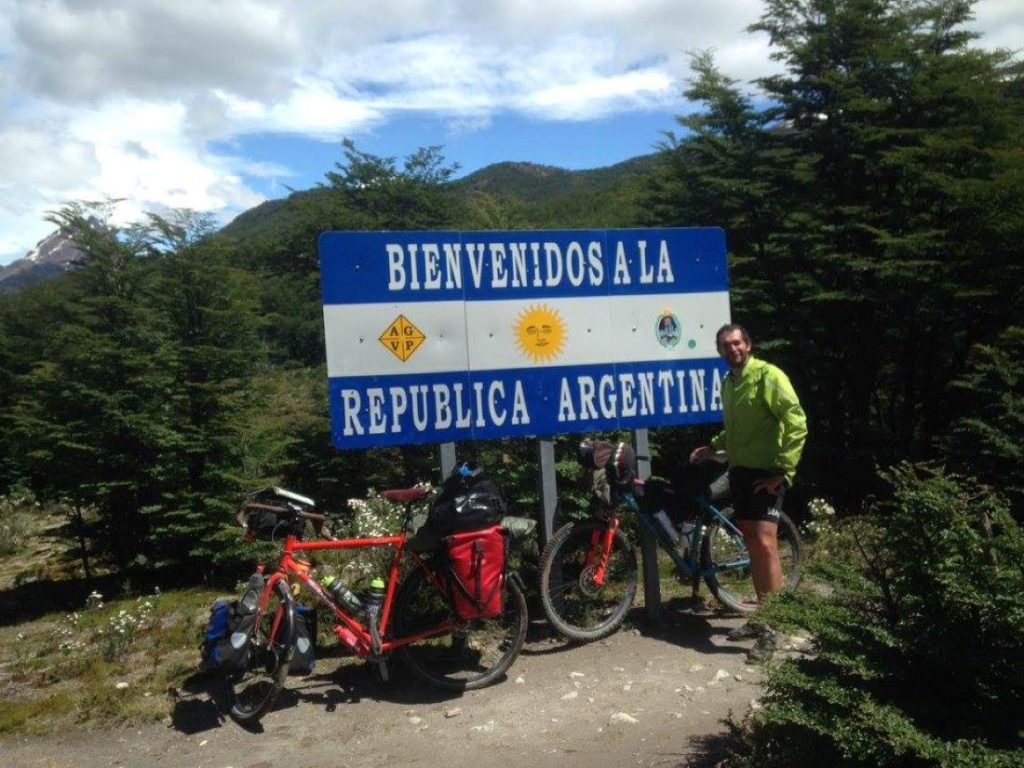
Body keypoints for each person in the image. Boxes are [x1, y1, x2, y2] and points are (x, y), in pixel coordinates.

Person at [690, 324, 807, 656]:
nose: (733, 349)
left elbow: (796, 420)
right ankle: (761, 618)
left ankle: (772, 628)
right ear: (720, 352)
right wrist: (711, 448)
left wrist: (783, 468)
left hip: (766, 473)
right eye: (726, 345)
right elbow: (735, 430)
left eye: (737, 343)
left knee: (766, 545)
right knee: (754, 546)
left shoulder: (768, 376)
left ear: (749, 345)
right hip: (740, 472)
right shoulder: (730, 382)